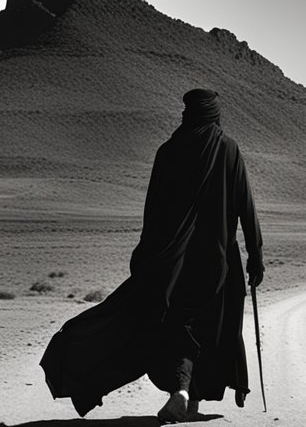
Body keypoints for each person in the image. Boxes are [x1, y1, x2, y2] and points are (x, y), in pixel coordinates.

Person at [40, 89, 264, 422]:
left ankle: (184, 393)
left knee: (175, 326)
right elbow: (246, 205)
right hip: (218, 262)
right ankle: (188, 397)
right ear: (215, 114)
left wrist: (148, 259)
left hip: (170, 262)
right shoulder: (228, 149)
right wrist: (255, 255)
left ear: (187, 113)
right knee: (209, 327)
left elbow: (153, 212)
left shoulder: (168, 151)